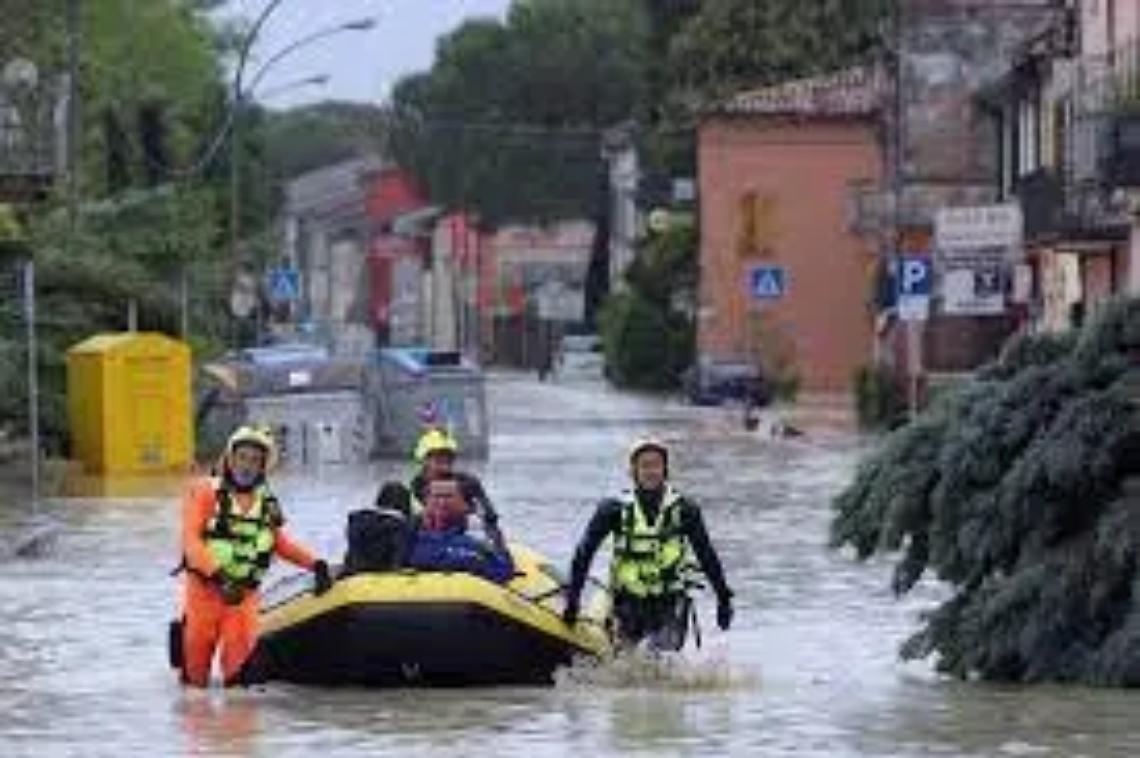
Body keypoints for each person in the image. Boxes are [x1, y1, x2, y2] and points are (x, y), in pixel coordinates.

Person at [175, 425, 332, 687]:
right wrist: (218, 575)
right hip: (205, 593)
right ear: (230, 458)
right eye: (242, 457)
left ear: (263, 467)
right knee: (194, 682)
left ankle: (238, 725)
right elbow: (190, 540)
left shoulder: (268, 503)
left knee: (239, 682)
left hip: (243, 597)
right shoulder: (204, 492)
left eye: (255, 460)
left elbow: (280, 544)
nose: (247, 466)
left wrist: (315, 564)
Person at [562, 438, 734, 651]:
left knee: (655, 654)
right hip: (628, 603)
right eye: (644, 465)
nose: (651, 472)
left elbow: (706, 555)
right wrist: (572, 602)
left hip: (670, 602)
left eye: (656, 465)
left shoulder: (686, 509)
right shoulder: (612, 509)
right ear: (633, 471)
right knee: (625, 662)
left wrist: (723, 598)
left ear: (665, 469)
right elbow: (584, 554)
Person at [408, 427, 506, 552]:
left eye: (448, 457)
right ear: (424, 460)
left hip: (462, 539)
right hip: (427, 542)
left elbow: (489, 517)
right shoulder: (416, 484)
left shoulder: (468, 483)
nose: (445, 461)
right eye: (438, 457)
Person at [406, 477, 516, 584]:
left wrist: (495, 536)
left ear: (465, 505)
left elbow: (503, 572)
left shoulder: (475, 542)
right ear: (426, 502)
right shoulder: (407, 536)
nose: (441, 502)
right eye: (436, 496)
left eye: (448, 497)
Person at [341, 482, 413, 575]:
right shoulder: (399, 526)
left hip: (352, 573)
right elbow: (398, 558)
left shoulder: (358, 519)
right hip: (380, 577)